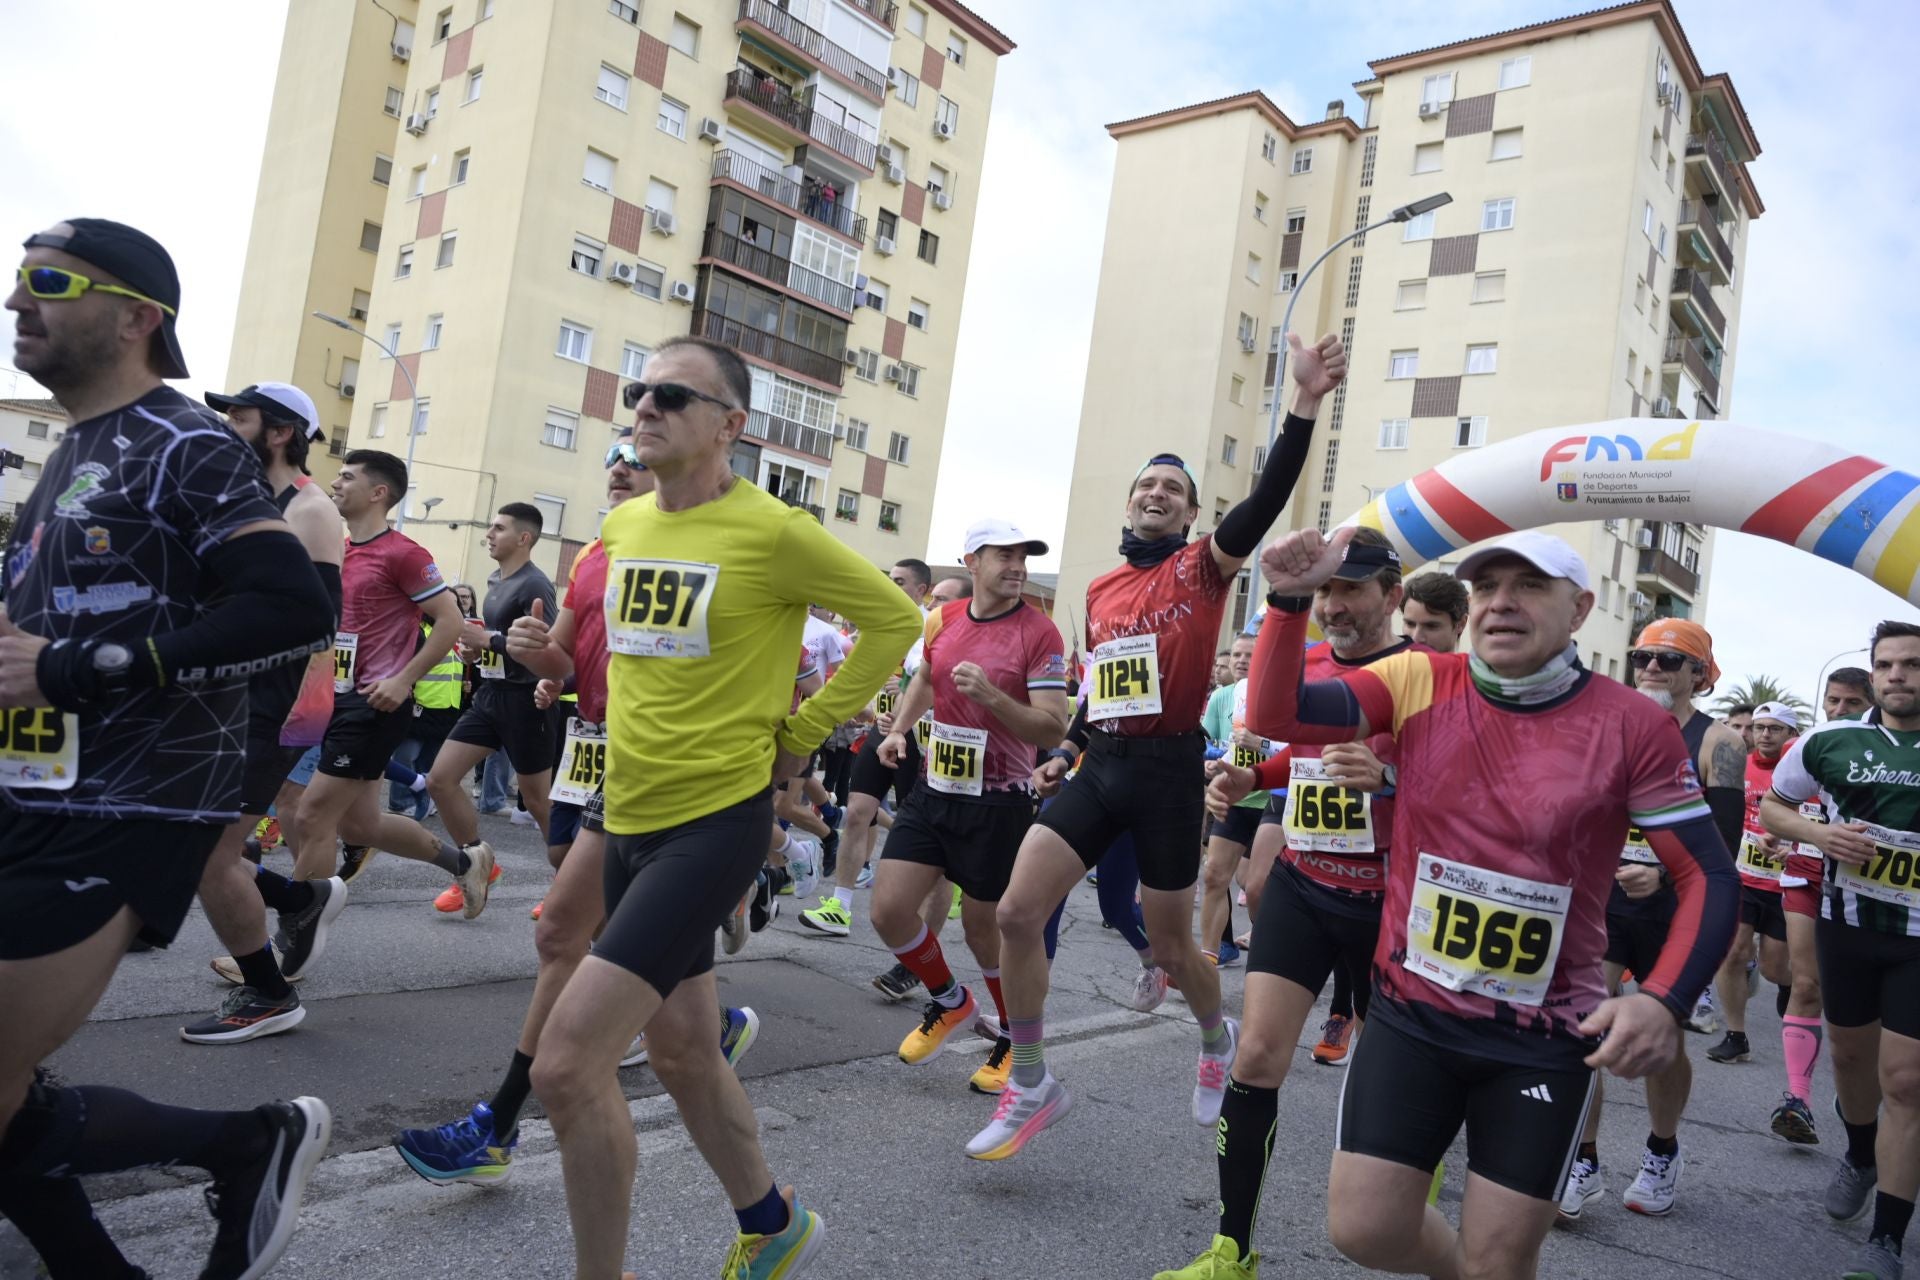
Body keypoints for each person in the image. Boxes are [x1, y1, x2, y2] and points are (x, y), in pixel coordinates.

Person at [1219, 526, 1738, 1280]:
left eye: (1528, 586)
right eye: (1486, 587)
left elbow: (1708, 878)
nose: (1501, 603)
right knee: (1364, 1229)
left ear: (1581, 608)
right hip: (1412, 1012)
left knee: (1502, 1261)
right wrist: (1289, 600)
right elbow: (1278, 714)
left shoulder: (1634, 724)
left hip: (1542, 1035)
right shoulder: (1417, 679)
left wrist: (1664, 998)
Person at [528, 338, 920, 1278]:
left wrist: (805, 730)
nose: (646, 408)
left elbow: (896, 622)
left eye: (673, 395)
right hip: (627, 817)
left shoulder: (772, 530)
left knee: (567, 1067)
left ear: (729, 426)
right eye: (639, 391)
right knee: (683, 1054)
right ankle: (774, 1223)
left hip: (712, 827)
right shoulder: (623, 532)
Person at [0, 218, 334, 1279]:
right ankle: (223, 1162)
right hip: (31, 786)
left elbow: (287, 610)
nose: (18, 302)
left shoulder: (183, 442)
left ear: (137, 315)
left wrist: (77, 669)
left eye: (48, 281)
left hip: (133, 798)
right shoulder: (76, 452)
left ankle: (245, 1139)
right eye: (16, 282)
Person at [967, 332, 1346, 1163]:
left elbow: (1263, 504)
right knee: (1017, 911)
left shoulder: (1201, 571)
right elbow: (1106, 683)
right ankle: (1031, 1079)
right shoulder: (1100, 588)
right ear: (1128, 503)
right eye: (1146, 484)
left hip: (1172, 772)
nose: (1157, 493)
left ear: (1190, 514)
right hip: (1104, 764)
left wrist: (1303, 407)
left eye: (1173, 489)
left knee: (1173, 945)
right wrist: (1068, 748)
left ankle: (1216, 1036)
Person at [393, 429, 759, 1186]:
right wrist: (535, 652)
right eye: (615, 461)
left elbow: (783, 640)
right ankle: (706, 1026)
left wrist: (797, 732)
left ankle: (497, 1125)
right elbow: (565, 656)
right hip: (613, 755)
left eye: (638, 455)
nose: (623, 469)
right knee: (566, 925)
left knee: (566, 930)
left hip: (692, 775)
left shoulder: (719, 542)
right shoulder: (597, 553)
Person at [1159, 529, 1423, 1278]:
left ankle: (1414, 1214)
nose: (1335, 605)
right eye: (1327, 591)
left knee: (1396, 1079)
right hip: (1307, 885)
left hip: (1394, 900)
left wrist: (1391, 781)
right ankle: (1231, 1250)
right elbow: (1276, 742)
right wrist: (1246, 775)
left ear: (1392, 597)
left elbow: (1470, 784)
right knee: (1258, 1056)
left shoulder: (1428, 675)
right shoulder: (1302, 660)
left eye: (1353, 589)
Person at [871, 519, 1069, 1097]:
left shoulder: (1040, 633)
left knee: (986, 931)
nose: (1016, 566)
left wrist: (990, 695)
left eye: (1023, 557)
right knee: (888, 910)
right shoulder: (944, 618)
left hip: (999, 800)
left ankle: (1012, 1035)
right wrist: (899, 730)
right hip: (935, 790)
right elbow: (927, 678)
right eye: (1003, 555)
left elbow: (1053, 723)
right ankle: (951, 1002)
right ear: (971, 561)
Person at [1558, 619, 1747, 1221]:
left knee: (1662, 1040)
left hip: (1677, 905)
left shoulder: (1720, 741)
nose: (1652, 669)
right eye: (1644, 657)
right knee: (1583, 1026)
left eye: (1669, 660)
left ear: (1699, 673)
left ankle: (1662, 1150)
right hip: (1607, 902)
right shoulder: (1610, 723)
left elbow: (1724, 838)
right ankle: (1582, 1158)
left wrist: (1663, 876)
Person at [180, 380, 347, 1044]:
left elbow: (310, 622)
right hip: (226, 698)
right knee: (188, 842)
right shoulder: (247, 501)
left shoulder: (309, 511)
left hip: (275, 703)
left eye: (238, 419)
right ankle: (299, 898)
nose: (226, 428)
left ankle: (270, 993)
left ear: (278, 432)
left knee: (207, 855)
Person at [270, 450, 493, 942]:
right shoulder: (342, 550)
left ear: (379, 493)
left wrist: (404, 679)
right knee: (362, 825)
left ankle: (292, 943)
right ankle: (467, 863)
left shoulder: (404, 553)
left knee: (313, 814)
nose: (335, 483)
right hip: (329, 698)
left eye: (347, 477)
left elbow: (451, 621)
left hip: (375, 704)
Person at [1762, 620, 1920, 1280]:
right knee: (1851, 1059)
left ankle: (1885, 1239)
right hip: (1848, 928)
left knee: (1906, 1082)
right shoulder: (1828, 740)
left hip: (1919, 940)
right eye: (1885, 664)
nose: (1896, 676)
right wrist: (1819, 837)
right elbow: (1774, 810)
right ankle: (1859, 1151)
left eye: (1911, 665)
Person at [422, 503, 560, 913]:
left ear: (524, 538)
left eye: (498, 528)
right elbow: (497, 642)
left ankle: (571, 885)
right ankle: (476, 864)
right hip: (490, 698)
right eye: (490, 526)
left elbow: (547, 648)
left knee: (537, 803)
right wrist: (476, 655)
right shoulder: (495, 579)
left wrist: (491, 644)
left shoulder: (536, 585)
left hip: (527, 702)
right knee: (439, 780)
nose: (488, 533)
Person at [1708, 701, 1799, 1065]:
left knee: (1773, 968)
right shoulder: (1738, 768)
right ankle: (1736, 1035)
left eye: (1774, 729)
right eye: (1760, 727)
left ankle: (1790, 984)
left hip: (1785, 882)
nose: (1764, 735)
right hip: (1743, 878)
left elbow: (1819, 819)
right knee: (1732, 952)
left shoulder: (1801, 774)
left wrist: (1794, 846)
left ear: (1790, 735)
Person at [1198, 633, 1265, 969]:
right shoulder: (1221, 696)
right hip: (1233, 797)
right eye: (1236, 654)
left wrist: (1261, 743)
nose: (1240, 660)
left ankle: (1269, 946)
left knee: (1253, 886)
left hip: (1271, 799)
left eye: (1249, 655)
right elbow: (1207, 743)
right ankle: (1213, 952)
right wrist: (1208, 762)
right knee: (1213, 875)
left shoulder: (1276, 694)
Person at [1400, 570, 1468, 652]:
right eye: (1410, 624)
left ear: (1461, 624)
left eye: (1431, 626)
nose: (1416, 638)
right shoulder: (1384, 663)